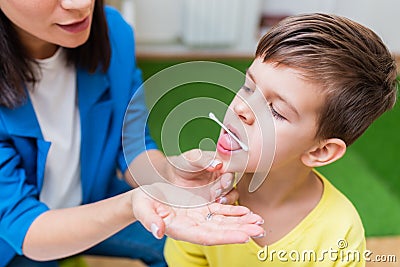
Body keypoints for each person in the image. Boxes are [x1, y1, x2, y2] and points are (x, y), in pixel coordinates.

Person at [0, 1, 265, 266]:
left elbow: (132, 144)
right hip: (14, 242)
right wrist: (131, 204)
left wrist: (171, 175)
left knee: (190, 243)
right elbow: (25, 228)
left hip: (91, 199)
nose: (81, 4)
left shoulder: (113, 32)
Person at [165, 13, 398, 266]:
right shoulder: (203, 197)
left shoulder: (339, 232)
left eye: (275, 111)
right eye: (247, 87)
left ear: (321, 151)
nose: (242, 109)